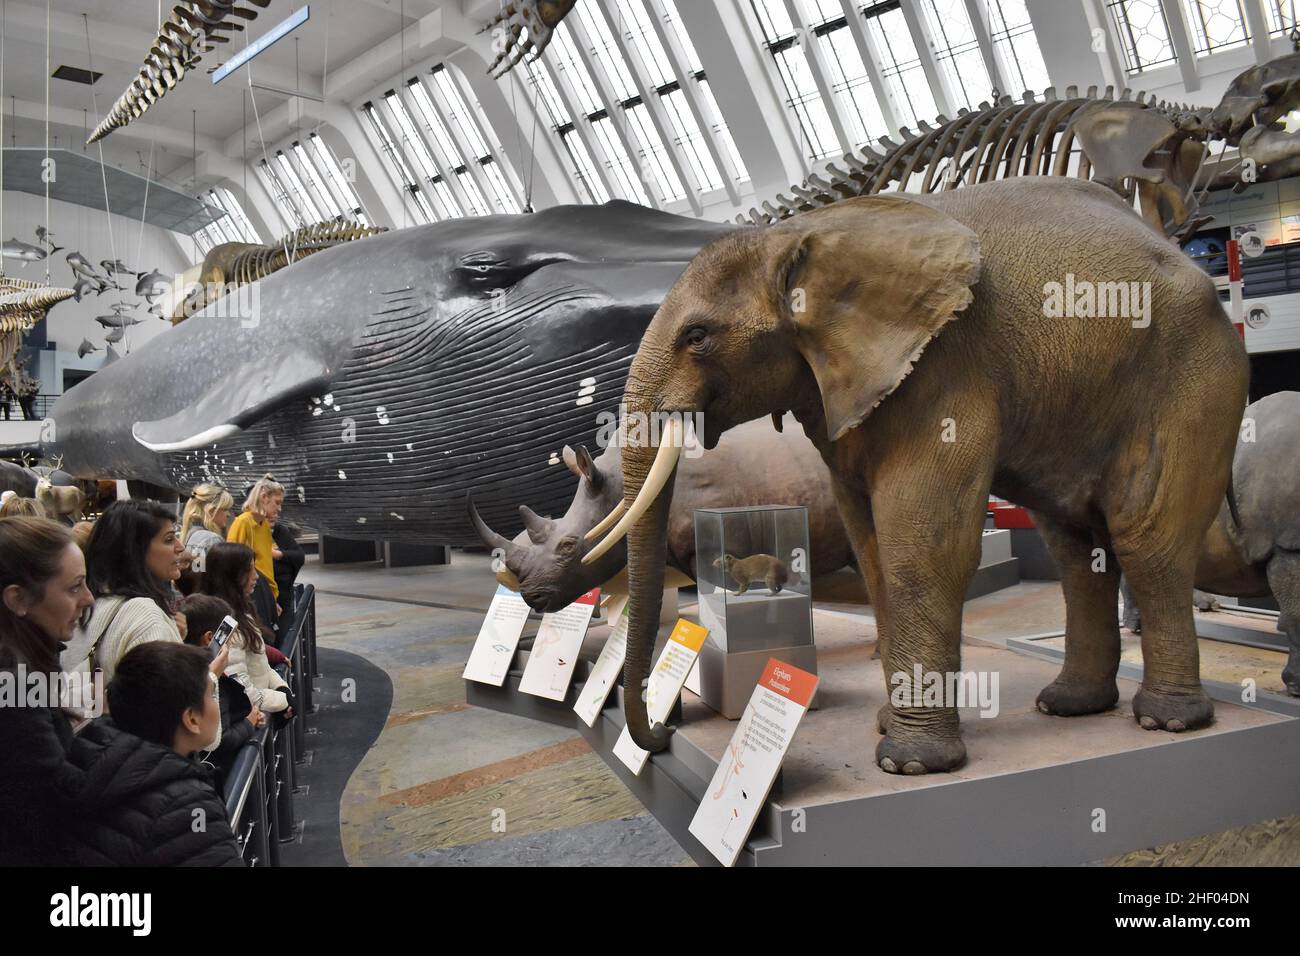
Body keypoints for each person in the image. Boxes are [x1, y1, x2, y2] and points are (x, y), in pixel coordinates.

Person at [64, 642, 245, 866]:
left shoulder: (85, 761)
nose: (216, 702)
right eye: (212, 694)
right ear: (192, 719)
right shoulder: (191, 806)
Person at [0, 517, 96, 865]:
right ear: (18, 599)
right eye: (74, 587)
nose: (88, 598)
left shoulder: (24, 668)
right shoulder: (14, 685)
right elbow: (54, 803)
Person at [60, 500, 185, 692]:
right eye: (169, 539)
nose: (180, 547)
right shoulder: (145, 615)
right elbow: (169, 707)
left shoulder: (83, 605)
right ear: (135, 550)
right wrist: (208, 679)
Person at [180, 593, 265, 787]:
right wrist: (249, 722)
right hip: (222, 774)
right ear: (210, 638)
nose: (229, 644)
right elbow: (221, 740)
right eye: (227, 638)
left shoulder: (183, 667)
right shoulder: (210, 680)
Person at [200, 542, 293, 717]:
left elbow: (259, 663)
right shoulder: (225, 625)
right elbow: (242, 691)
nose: (256, 576)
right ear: (231, 576)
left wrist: (281, 687)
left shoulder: (241, 613)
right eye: (249, 570)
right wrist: (283, 700)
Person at [227, 475, 284, 637]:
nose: (279, 508)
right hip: (250, 595)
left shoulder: (264, 525)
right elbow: (231, 565)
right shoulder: (243, 523)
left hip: (264, 594)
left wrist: (272, 598)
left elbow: (266, 564)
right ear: (264, 497)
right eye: (277, 502)